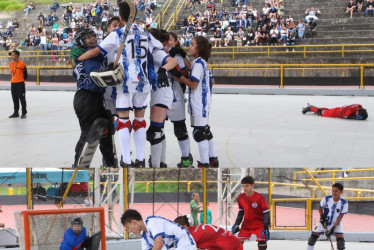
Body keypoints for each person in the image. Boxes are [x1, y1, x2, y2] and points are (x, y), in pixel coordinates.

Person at [76, 1, 174, 168]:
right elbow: (168, 59)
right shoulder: (147, 35)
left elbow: (96, 51)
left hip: (125, 83)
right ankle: (141, 159)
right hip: (143, 83)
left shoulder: (118, 34)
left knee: (123, 122)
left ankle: (126, 161)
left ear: (121, 17)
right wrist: (164, 69)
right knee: (140, 120)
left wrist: (78, 58)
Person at [70, 28, 116, 168]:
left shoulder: (84, 56)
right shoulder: (90, 56)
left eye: (93, 36)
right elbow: (94, 75)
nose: (92, 39)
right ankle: (77, 165)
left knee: (105, 131)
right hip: (86, 98)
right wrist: (107, 72)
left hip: (95, 98)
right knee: (88, 134)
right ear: (80, 42)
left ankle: (110, 163)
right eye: (88, 37)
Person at [173, 36, 219, 168]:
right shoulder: (201, 62)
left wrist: (179, 75)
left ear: (199, 48)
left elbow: (193, 85)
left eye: (192, 44)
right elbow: (212, 81)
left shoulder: (199, 64)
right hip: (203, 102)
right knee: (205, 130)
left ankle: (204, 163)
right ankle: (212, 159)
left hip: (199, 103)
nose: (189, 46)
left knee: (199, 133)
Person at [167, 32, 194, 168]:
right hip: (160, 94)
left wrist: (181, 56)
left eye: (170, 40)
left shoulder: (175, 54)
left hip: (174, 94)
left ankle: (186, 158)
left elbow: (185, 71)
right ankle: (157, 160)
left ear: (176, 41)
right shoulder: (158, 52)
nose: (168, 42)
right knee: (156, 130)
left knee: (179, 129)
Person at [121, 209, 197, 250]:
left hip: (185, 241)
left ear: (133, 222)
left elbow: (159, 244)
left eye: (128, 227)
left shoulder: (152, 221)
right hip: (176, 245)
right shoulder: (145, 237)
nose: (130, 231)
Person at [232, 176, 270, 250]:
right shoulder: (241, 197)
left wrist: (266, 227)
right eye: (243, 186)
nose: (244, 188)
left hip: (259, 225)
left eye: (247, 186)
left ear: (252, 185)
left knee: (262, 245)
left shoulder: (260, 198)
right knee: (237, 243)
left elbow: (266, 213)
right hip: (246, 224)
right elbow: (241, 212)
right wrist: (237, 224)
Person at [306, 183, 348, 250]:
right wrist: (322, 218)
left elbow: (340, 217)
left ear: (341, 192)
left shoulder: (344, 203)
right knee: (312, 238)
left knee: (340, 243)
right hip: (325, 221)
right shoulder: (327, 198)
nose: (334, 193)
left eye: (336, 191)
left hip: (336, 223)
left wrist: (333, 228)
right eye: (333, 190)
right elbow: (320, 207)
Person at [174, 215, 243, 250]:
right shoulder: (193, 229)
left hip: (233, 246)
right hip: (233, 242)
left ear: (185, 226)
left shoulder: (192, 236)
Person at [9, 50, 27, 119]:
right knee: (14, 98)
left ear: (17, 56)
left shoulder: (22, 64)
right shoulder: (11, 64)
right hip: (13, 83)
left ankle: (24, 113)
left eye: (13, 55)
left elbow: (25, 74)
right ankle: (16, 112)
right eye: (11, 55)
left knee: (22, 98)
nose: (12, 56)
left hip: (20, 83)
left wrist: (21, 80)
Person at [302, 103, 368, 120]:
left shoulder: (358, 106)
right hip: (336, 113)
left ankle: (313, 107)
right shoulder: (349, 111)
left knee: (327, 110)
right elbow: (345, 116)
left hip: (338, 109)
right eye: (357, 115)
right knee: (321, 113)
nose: (356, 115)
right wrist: (354, 117)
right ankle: (310, 108)